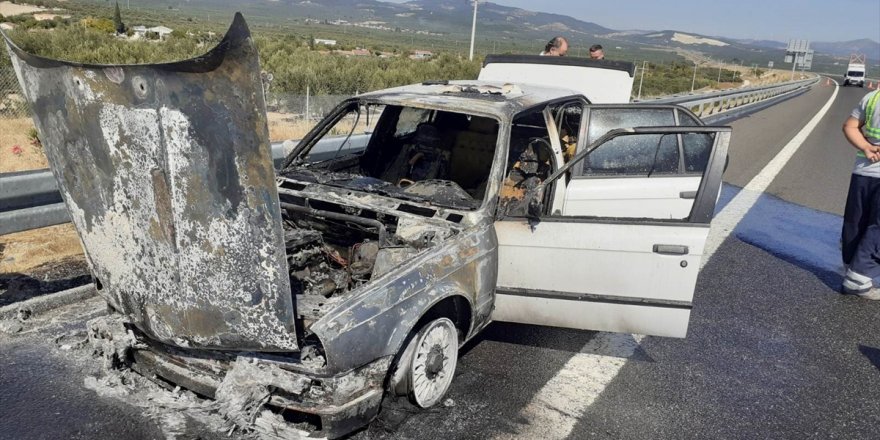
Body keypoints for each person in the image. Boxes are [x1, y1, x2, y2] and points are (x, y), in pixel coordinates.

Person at [841, 89, 880, 299]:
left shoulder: (873, 98)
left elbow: (849, 127)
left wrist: (866, 147)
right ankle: (859, 277)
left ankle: (850, 265)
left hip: (863, 171)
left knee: (856, 221)